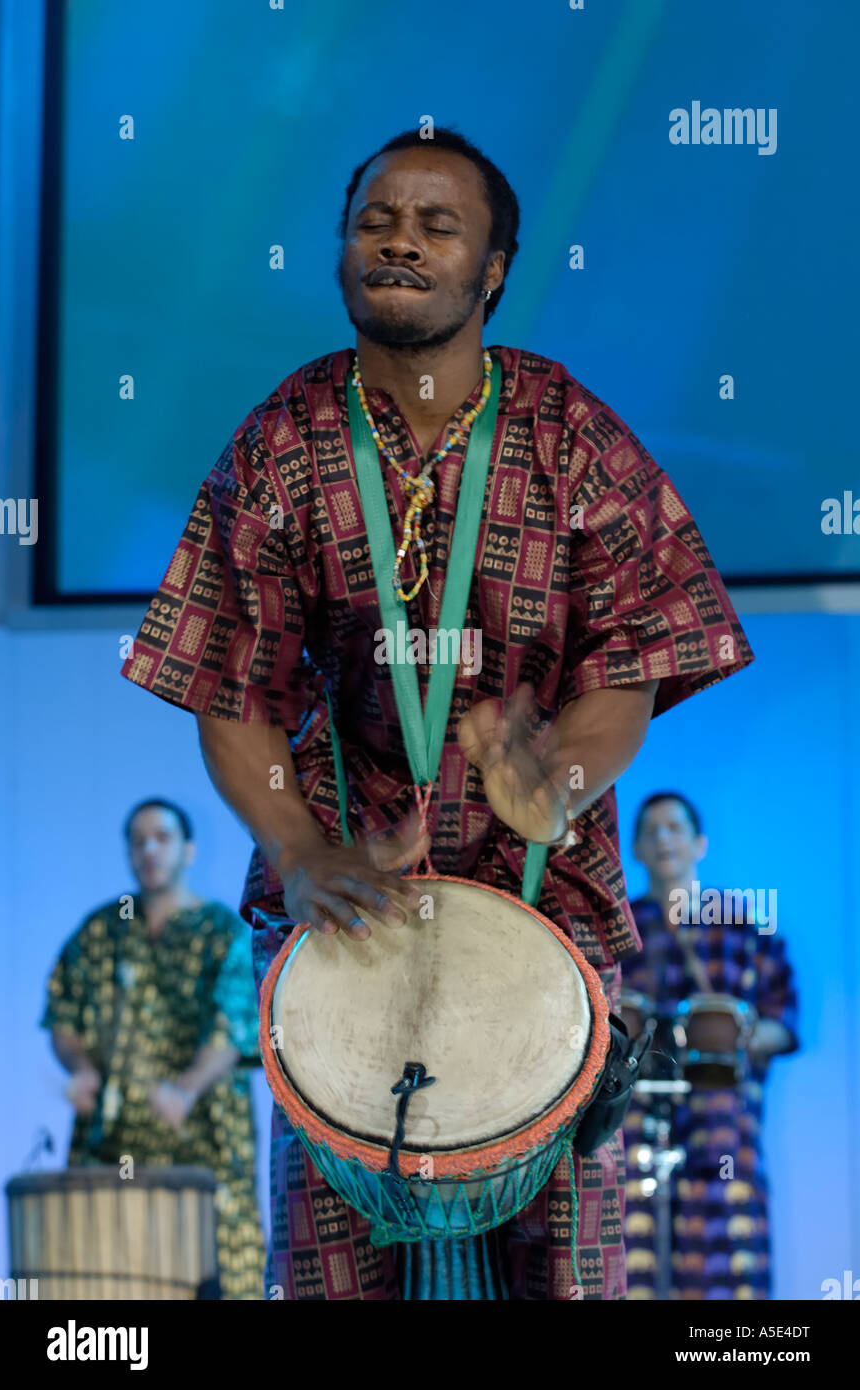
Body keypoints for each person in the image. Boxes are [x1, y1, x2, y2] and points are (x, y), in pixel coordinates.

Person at [120, 126, 755, 1300]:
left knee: (563, 1275)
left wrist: (553, 779)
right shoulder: (282, 441)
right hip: (347, 905)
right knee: (328, 1275)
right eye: (375, 220)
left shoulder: (571, 435)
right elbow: (226, 681)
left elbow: (627, 669)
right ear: (343, 248)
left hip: (543, 901)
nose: (398, 240)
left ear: (494, 266)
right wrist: (301, 853)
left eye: (435, 224)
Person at [41, 798, 267, 1300]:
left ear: (188, 850)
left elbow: (233, 1030)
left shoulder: (222, 932)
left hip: (203, 1145)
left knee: (214, 1277)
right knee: (105, 1284)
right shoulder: (101, 929)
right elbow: (64, 1018)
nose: (149, 850)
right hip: (112, 1144)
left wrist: (185, 1089)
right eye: (139, 840)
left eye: (162, 838)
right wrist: (80, 1070)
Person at [622, 791, 798, 1299]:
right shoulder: (621, 933)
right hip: (639, 1108)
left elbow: (783, 1019)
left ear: (699, 843)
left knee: (725, 1228)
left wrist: (741, 1039)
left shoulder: (744, 927)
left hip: (719, 1109)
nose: (663, 838)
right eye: (651, 830)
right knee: (632, 1227)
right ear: (635, 849)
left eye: (675, 828)